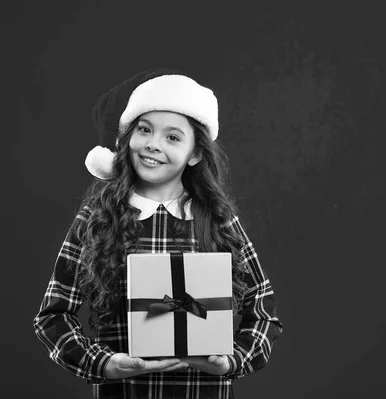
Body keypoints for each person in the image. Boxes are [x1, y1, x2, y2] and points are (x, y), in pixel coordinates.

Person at [33, 68, 283, 398]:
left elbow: (264, 313)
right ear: (126, 139)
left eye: (173, 137)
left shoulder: (217, 221)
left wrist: (233, 361)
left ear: (195, 153)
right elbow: (52, 316)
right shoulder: (97, 219)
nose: (153, 145)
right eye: (144, 130)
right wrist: (103, 364)